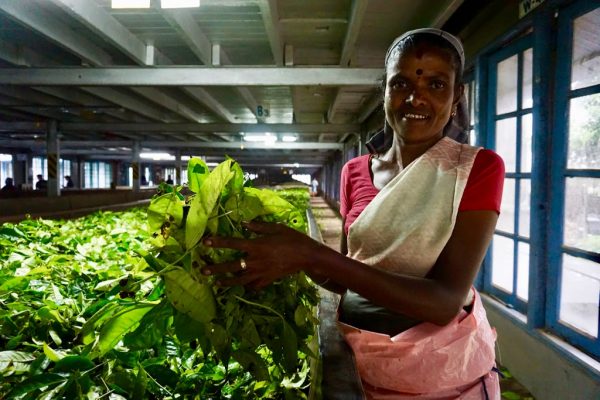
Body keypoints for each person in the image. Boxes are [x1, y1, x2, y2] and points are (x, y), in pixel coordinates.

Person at [202, 28, 504, 399]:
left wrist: (309, 253)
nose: (416, 97)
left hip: (443, 376)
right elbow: (344, 274)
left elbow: (443, 303)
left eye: (436, 85)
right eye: (401, 83)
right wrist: (285, 255)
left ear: (457, 95)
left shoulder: (475, 169)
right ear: (385, 92)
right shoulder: (355, 171)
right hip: (364, 364)